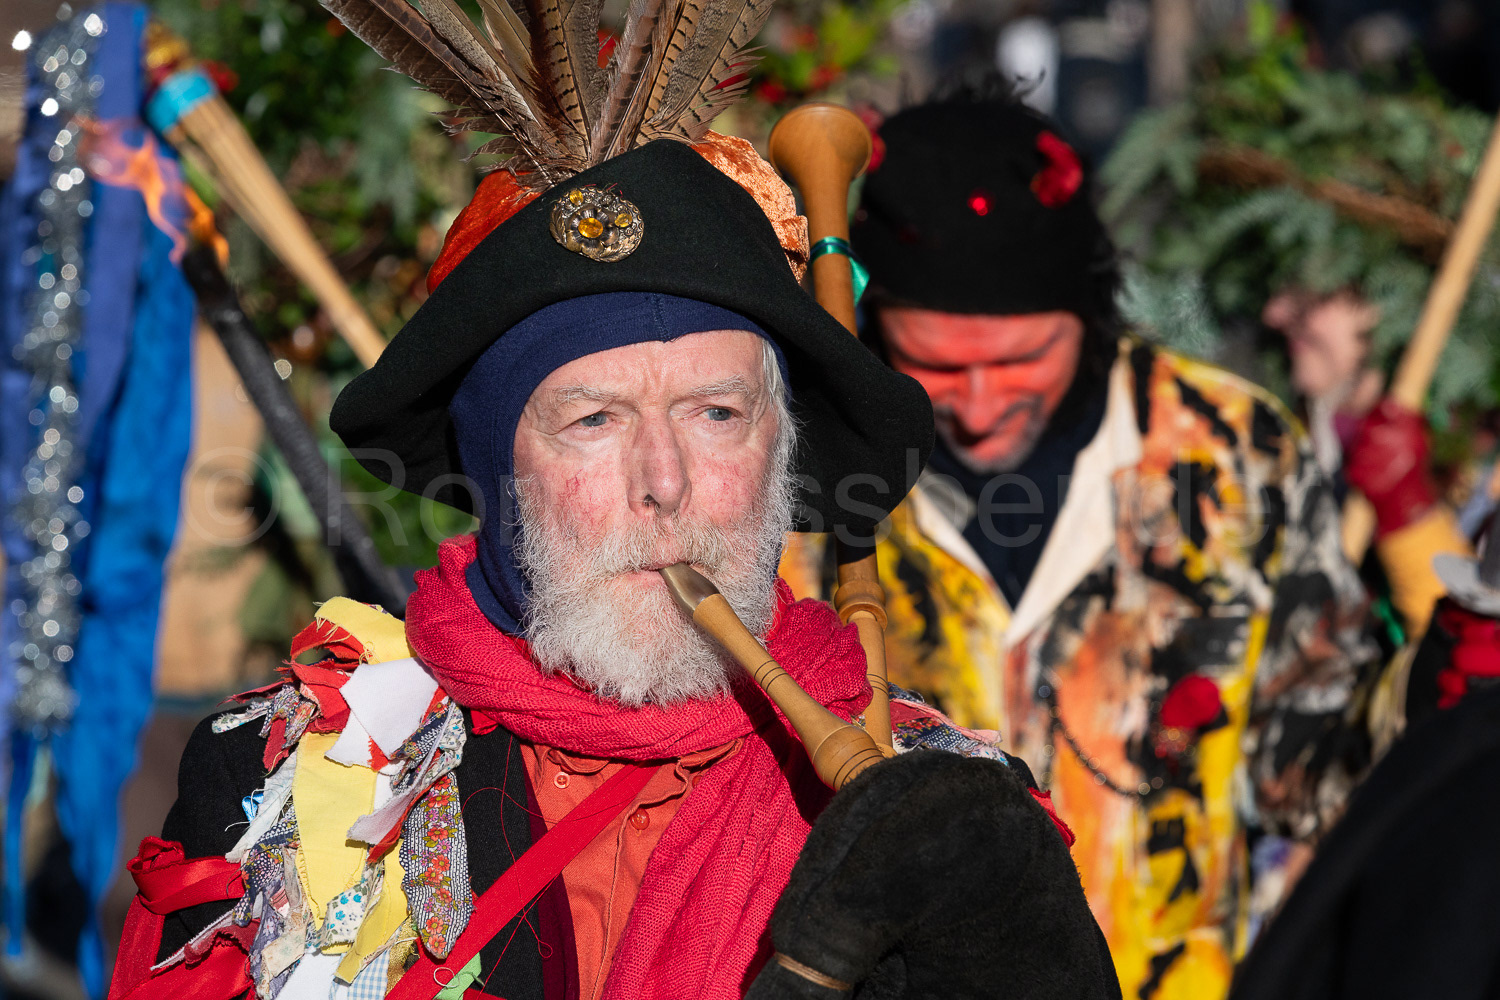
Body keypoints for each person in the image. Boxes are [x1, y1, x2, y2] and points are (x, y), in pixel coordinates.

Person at [106, 7, 1119, 1000]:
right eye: (592, 419)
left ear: (785, 454)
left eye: (718, 413)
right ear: (497, 471)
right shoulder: (281, 773)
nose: (665, 481)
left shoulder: (942, 819)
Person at [800, 90, 1381, 1000]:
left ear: (1089, 309)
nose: (982, 406)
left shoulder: (1232, 451)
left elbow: (1320, 775)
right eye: (938, 365)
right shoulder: (810, 482)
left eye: (1024, 358)